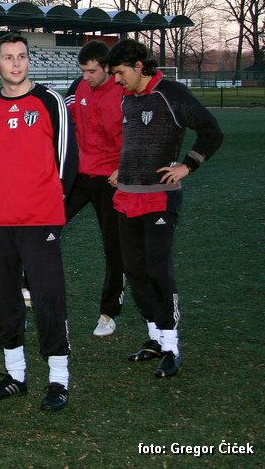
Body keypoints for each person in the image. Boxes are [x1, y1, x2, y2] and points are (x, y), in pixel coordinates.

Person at [105, 39, 223, 378]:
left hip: (159, 197)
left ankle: (172, 346)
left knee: (158, 270)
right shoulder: (128, 98)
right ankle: (155, 338)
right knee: (135, 271)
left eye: (120, 73)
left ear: (139, 66)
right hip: (127, 195)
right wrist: (122, 169)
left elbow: (211, 132)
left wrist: (187, 165)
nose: (116, 80)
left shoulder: (172, 94)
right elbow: (133, 143)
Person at [0, 34, 77, 412]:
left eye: (21, 57)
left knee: (48, 297)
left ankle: (58, 379)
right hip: (0, 220)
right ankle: (15, 375)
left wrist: (55, 205)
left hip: (42, 219)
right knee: (4, 299)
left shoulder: (50, 102)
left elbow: (67, 160)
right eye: (8, 58)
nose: (16, 64)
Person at [63, 40, 126, 337]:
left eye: (91, 71)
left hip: (111, 179)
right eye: (83, 71)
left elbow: (138, 134)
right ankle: (28, 290)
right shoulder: (79, 88)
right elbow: (64, 121)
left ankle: (108, 313)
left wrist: (124, 167)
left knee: (114, 246)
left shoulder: (124, 91)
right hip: (79, 176)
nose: (86, 77)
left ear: (107, 69)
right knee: (46, 224)